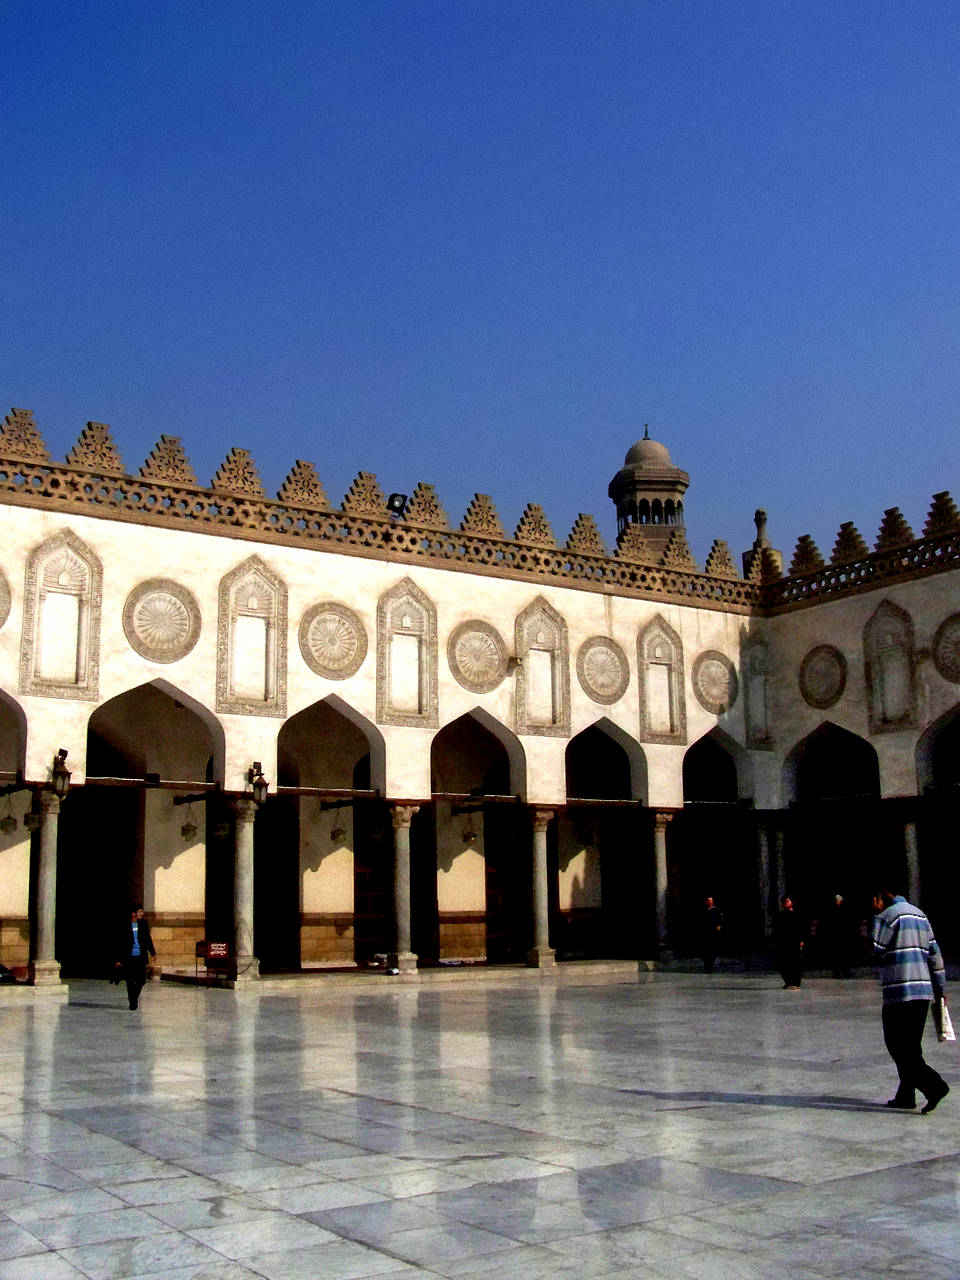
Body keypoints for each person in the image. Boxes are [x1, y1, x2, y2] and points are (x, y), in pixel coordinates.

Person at [870, 888, 949, 1114]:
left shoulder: (888, 916)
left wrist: (876, 916)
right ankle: (906, 1095)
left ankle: (935, 1086)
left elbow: (877, 948)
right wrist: (940, 987)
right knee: (911, 1046)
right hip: (922, 991)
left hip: (899, 991)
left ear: (881, 898)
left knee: (897, 1046)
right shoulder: (920, 915)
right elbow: (935, 953)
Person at [115, 905, 156, 1010]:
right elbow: (119, 943)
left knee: (141, 980)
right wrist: (118, 959)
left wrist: (153, 952)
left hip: (140, 956)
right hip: (129, 957)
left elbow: (147, 939)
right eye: (140, 911)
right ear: (133, 913)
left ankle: (134, 997)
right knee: (130, 980)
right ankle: (132, 1002)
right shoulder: (124, 925)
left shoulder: (143, 924)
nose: (142, 914)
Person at [775, 896, 804, 989]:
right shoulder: (780, 915)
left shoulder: (797, 915)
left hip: (795, 941)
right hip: (783, 942)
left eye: (787, 901)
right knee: (783, 963)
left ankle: (795, 983)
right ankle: (788, 981)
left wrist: (802, 940)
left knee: (795, 962)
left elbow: (801, 928)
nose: (786, 903)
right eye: (784, 901)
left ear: (792, 902)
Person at [824, 892, 855, 978]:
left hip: (840, 936)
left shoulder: (840, 910)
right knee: (838, 956)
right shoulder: (836, 911)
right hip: (838, 936)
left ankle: (842, 972)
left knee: (841, 955)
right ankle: (839, 972)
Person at [699, 896, 724, 974]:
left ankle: (711, 963)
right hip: (705, 932)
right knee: (705, 950)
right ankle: (707, 964)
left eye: (711, 900)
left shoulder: (716, 910)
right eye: (708, 900)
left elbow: (720, 918)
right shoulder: (703, 910)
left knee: (712, 948)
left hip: (713, 931)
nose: (710, 902)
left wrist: (719, 925)